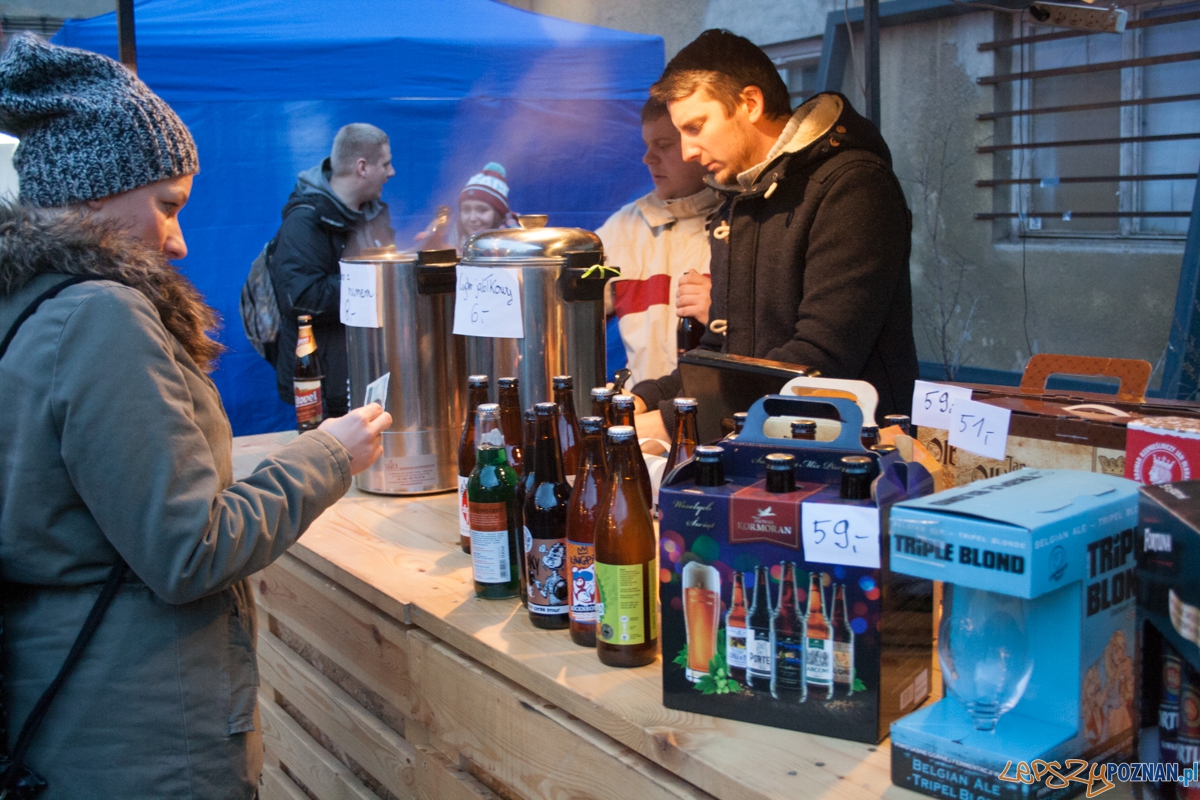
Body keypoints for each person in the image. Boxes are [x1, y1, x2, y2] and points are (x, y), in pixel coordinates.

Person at [0, 34, 391, 799]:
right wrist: (327, 456)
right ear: (93, 194)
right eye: (166, 206)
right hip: (142, 735)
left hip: (64, 713)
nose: (178, 240)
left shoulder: (27, 305)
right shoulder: (99, 316)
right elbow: (188, 551)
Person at [630, 29, 918, 437]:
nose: (688, 151)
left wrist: (663, 423)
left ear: (750, 103)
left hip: (851, 460)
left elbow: (818, 362)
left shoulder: (854, 187)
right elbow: (723, 352)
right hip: (763, 448)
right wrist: (645, 398)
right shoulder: (742, 200)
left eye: (695, 127)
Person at [272, 123, 396, 418]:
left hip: (371, 374)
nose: (391, 172)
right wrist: (378, 282)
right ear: (362, 167)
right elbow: (300, 298)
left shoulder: (375, 215)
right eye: (386, 163)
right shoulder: (304, 223)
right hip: (324, 388)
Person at [598, 97, 721, 387]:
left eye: (664, 145)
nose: (648, 158)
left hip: (724, 419)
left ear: (700, 144)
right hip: (643, 416)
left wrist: (724, 313)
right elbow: (565, 317)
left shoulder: (747, 219)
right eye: (647, 145)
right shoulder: (622, 229)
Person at [455, 161, 519, 250]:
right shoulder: (456, 241)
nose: (472, 218)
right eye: (466, 210)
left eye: (482, 210)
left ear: (499, 214)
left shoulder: (517, 246)